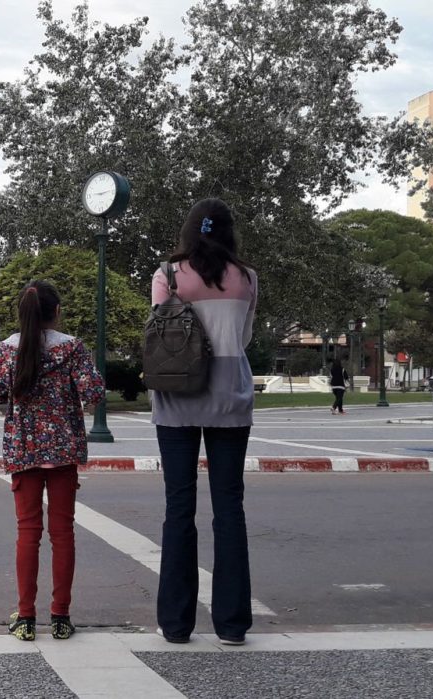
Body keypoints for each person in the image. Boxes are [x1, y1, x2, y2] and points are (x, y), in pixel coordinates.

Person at [151, 198, 257, 646]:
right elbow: (245, 335)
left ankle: (176, 625)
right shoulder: (248, 278)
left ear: (189, 231)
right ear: (230, 232)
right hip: (231, 395)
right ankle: (232, 625)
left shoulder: (168, 274)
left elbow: (158, 329)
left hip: (177, 396)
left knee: (180, 508)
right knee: (229, 508)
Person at [0, 280, 105, 642]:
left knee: (28, 534)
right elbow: (94, 392)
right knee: (63, 533)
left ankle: (25, 618)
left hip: (24, 450)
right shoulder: (73, 349)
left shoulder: (8, 350)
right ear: (57, 313)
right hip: (64, 451)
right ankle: (61, 617)